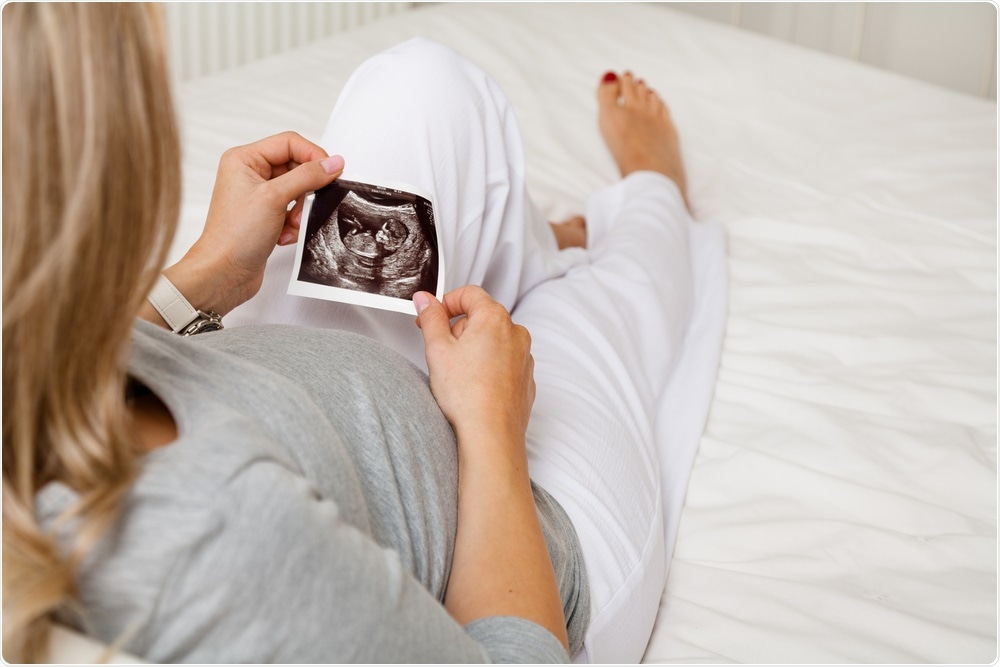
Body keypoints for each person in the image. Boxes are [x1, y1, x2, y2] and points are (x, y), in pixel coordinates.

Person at [2, 4, 699, 664]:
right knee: (594, 304)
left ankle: (533, 243)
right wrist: (492, 424)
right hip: (517, 540)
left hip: (287, 391)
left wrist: (201, 278)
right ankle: (653, 192)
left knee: (422, 86)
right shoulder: (218, 542)